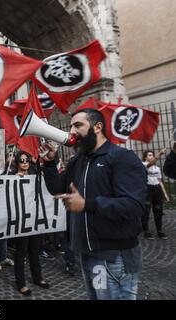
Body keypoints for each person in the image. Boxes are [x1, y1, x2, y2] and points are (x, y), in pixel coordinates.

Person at [41, 108, 147, 300]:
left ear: (97, 127)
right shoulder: (78, 161)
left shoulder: (122, 158)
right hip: (88, 252)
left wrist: (87, 204)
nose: (72, 130)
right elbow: (59, 189)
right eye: (71, 125)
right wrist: (49, 164)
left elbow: (133, 206)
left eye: (78, 125)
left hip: (115, 257)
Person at [12, 151, 50, 295]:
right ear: (17, 163)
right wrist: (14, 179)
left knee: (35, 249)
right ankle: (21, 283)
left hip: (35, 217)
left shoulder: (36, 174)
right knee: (21, 252)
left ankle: (38, 277)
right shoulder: (11, 176)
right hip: (21, 219)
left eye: (27, 160)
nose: (25, 163)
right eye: (21, 161)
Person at [142, 150, 169, 240]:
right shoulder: (143, 165)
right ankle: (146, 231)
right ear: (145, 157)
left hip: (157, 189)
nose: (152, 157)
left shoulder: (157, 168)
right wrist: (159, 154)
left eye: (152, 155)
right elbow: (150, 163)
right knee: (146, 211)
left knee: (158, 211)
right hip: (147, 189)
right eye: (149, 155)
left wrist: (165, 194)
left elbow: (160, 181)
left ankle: (160, 231)